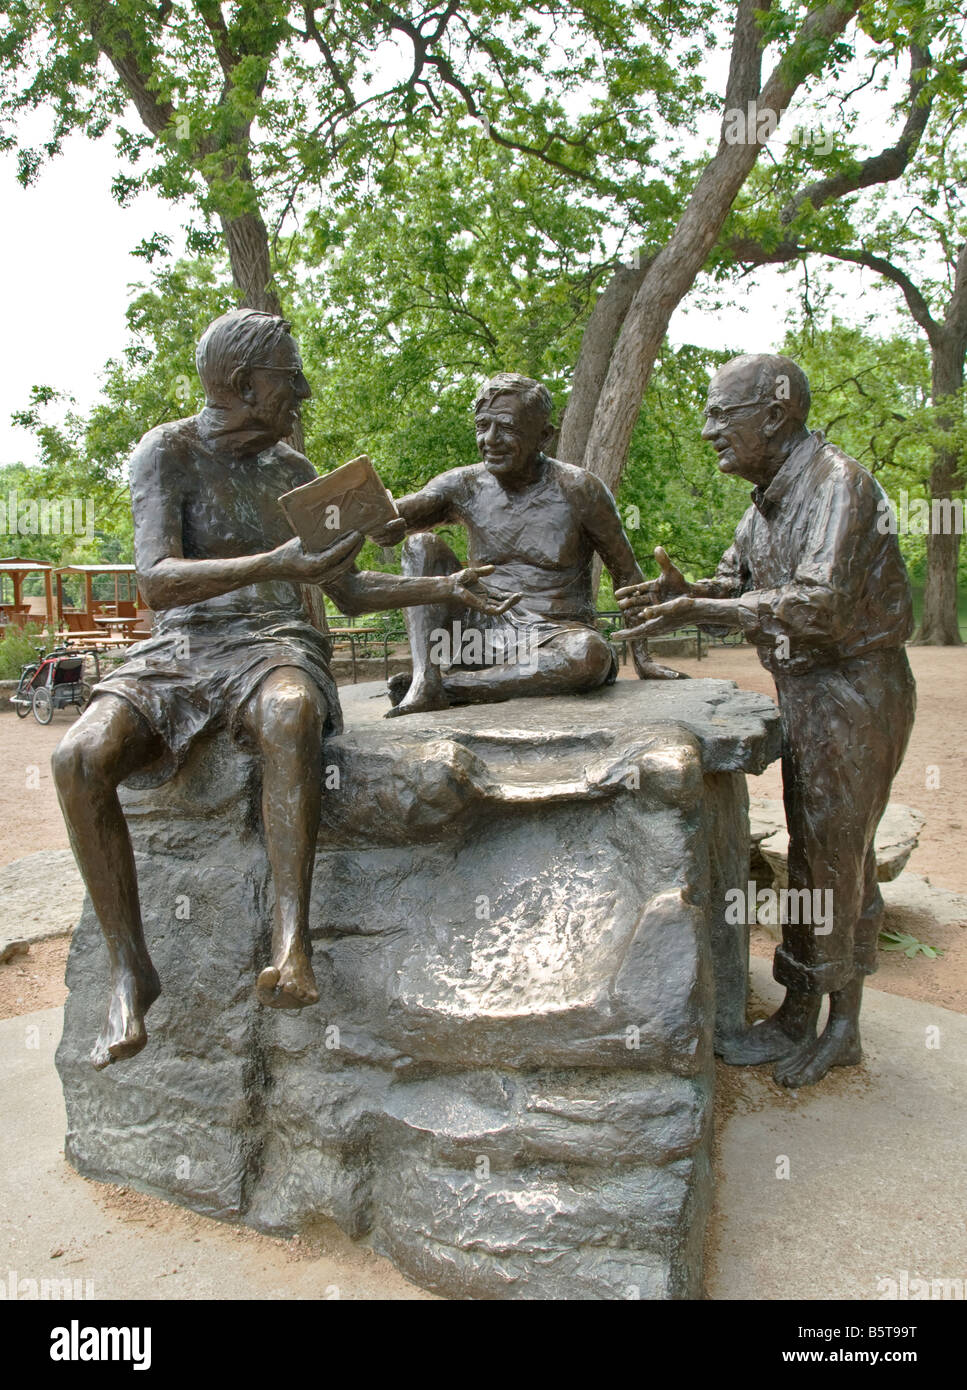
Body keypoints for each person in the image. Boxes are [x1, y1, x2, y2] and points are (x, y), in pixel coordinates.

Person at [52, 308, 514, 1070]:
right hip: (183, 646)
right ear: (241, 384)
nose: (303, 392)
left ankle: (292, 942)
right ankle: (131, 968)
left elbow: (351, 594)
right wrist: (277, 564)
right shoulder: (165, 454)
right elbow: (156, 582)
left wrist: (448, 587)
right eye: (289, 379)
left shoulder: (297, 475)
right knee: (77, 759)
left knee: (292, 712)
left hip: (273, 644)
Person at [613, 353, 916, 1088]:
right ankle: (800, 1008)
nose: (708, 430)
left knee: (833, 855)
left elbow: (816, 606)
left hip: (854, 689)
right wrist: (683, 591)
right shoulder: (764, 503)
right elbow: (738, 585)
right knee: (818, 850)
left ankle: (838, 1025)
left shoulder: (838, 487)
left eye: (722, 414)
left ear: (774, 415)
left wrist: (705, 608)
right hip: (808, 691)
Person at [377, 372, 683, 718]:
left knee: (589, 655)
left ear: (544, 436)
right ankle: (425, 677)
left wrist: (644, 660)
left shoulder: (580, 489)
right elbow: (396, 516)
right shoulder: (463, 484)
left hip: (554, 639)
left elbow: (628, 575)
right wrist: (372, 516)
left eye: (506, 428)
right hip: (477, 634)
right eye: (482, 426)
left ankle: (448, 686)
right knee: (421, 547)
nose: (490, 439)